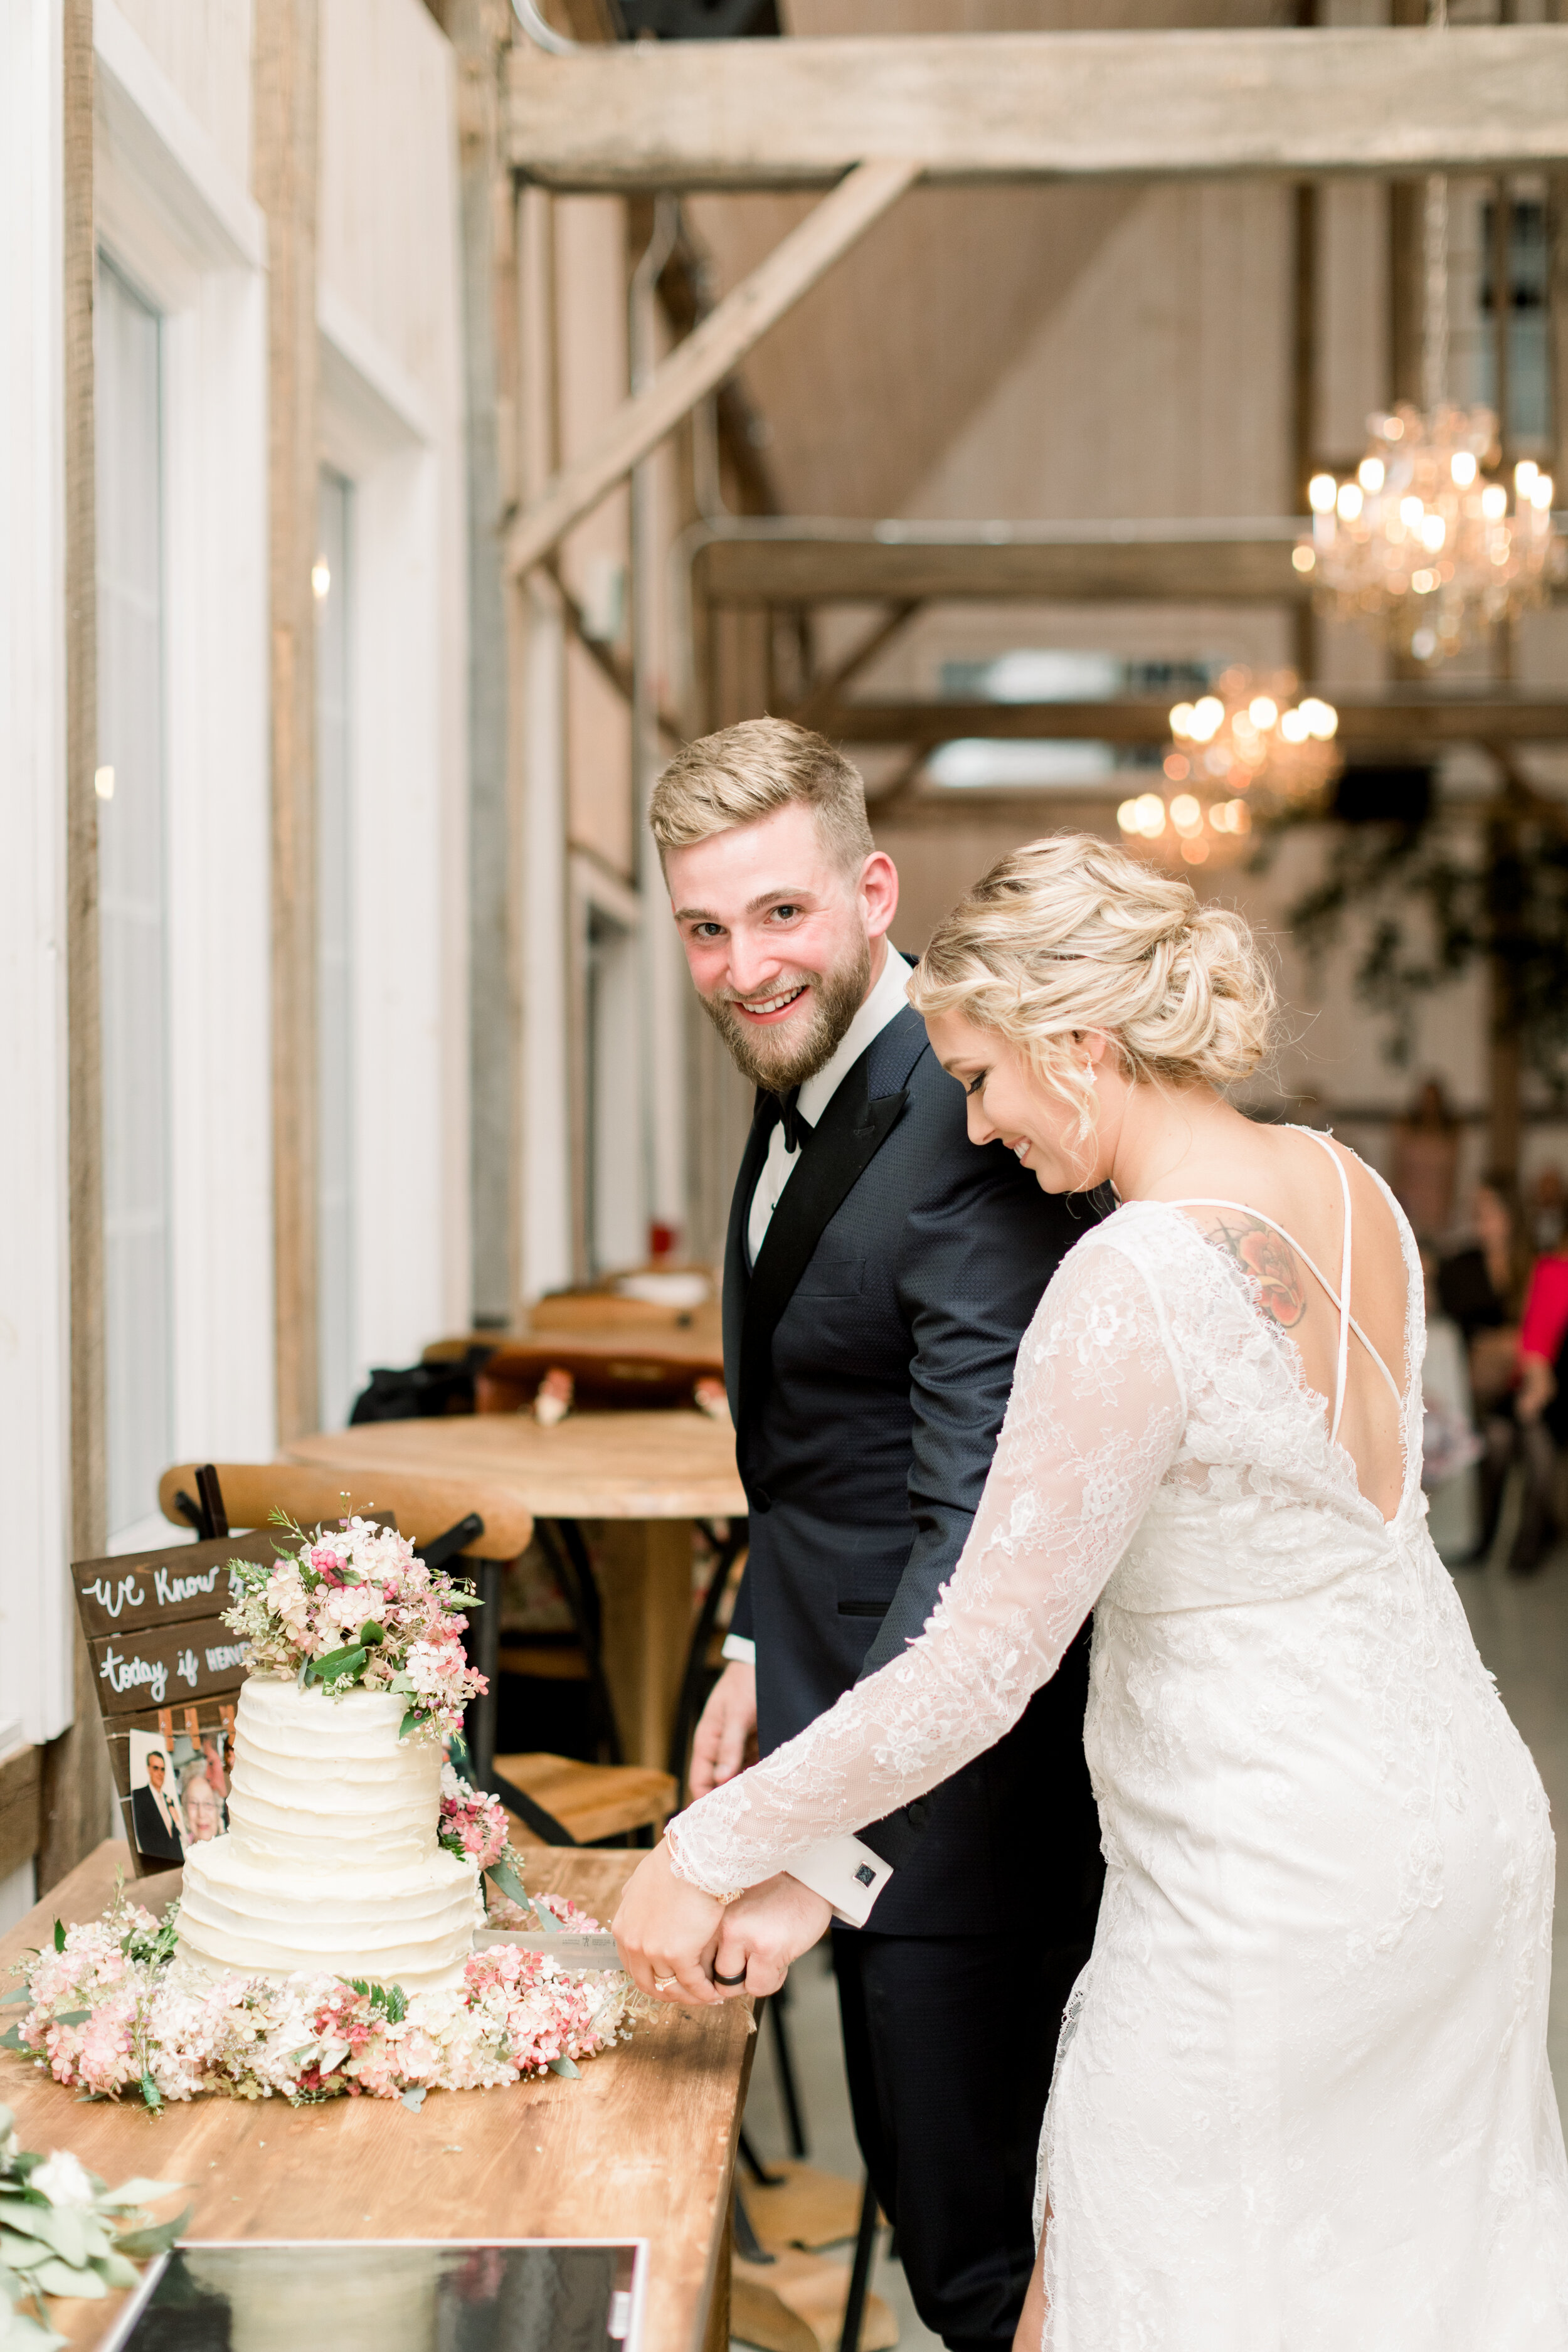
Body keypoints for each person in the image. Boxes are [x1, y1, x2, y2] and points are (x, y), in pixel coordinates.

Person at [614, 833, 1568, 2348]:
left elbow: (978, 1662)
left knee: (1120, 2285)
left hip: (1257, 1888)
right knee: (1400, 2282)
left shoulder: (1131, 1279)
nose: (980, 1129)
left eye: (983, 1079)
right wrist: (819, 1873)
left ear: (1079, 1047)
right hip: (1466, 1835)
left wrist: (714, 1843)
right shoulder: (1351, 1187)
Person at [645, 721, 1106, 2351]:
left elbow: (972, 1534)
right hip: (833, 1706)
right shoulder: (815, 1071)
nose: (741, 966)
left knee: (982, 2266)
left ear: (870, 886)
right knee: (946, 2235)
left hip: (954, 1820)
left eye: (779, 915)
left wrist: (815, 1833)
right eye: (704, 926)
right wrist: (759, 1639)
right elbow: (815, 1439)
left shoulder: (965, 1120)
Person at [1439, 1176, 1530, 1566]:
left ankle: (1530, 1543)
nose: (1480, 1218)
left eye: (1488, 1209)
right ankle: (1484, 1540)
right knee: (1498, 1436)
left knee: (1531, 1439)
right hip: (1478, 1383)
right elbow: (1461, 1327)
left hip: (1525, 1384)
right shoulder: (1463, 1264)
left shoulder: (1533, 1266)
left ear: (1510, 1216)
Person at [1511, 1241, 1568, 1576]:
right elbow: (1536, 1343)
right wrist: (1537, 1384)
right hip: (1556, 1389)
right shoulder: (1554, 1270)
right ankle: (1530, 1537)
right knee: (1537, 1438)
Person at [1389, 1074, 1461, 1242]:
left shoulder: (1450, 1134)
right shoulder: (1406, 1129)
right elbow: (1397, 1169)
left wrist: (1449, 1207)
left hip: (1437, 1206)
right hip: (1410, 1203)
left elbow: (1452, 1175)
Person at [129, 1748, 185, 1862]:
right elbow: (142, 1835)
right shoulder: (138, 1796)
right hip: (156, 1862)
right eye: (156, 1768)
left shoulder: (169, 1799)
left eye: (163, 1770)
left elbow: (175, 1834)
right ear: (148, 1769)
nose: (160, 1774)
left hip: (176, 1860)